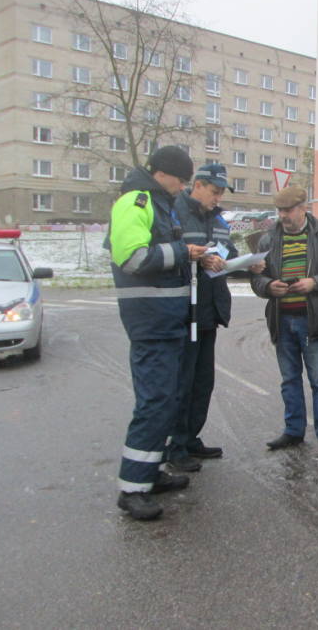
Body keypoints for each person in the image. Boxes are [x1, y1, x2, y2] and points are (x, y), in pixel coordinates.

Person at [109, 145, 208, 520]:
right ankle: (132, 489)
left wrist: (189, 253)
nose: (183, 186)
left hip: (166, 321)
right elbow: (134, 259)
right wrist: (184, 253)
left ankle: (150, 473)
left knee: (167, 400)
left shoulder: (157, 201)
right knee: (154, 402)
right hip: (150, 322)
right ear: (162, 173)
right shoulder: (135, 202)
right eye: (181, 179)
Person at [166, 164, 264, 472]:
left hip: (209, 310)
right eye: (215, 191)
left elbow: (228, 254)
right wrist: (196, 255)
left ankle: (191, 437)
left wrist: (245, 265)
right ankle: (176, 445)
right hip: (185, 309)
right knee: (183, 382)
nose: (218, 197)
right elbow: (167, 252)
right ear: (197, 185)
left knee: (202, 381)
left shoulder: (218, 218)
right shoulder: (174, 211)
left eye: (221, 192)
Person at [251, 186, 318, 457]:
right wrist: (269, 286)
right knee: (289, 379)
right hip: (282, 320)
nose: (283, 216)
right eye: (280, 211)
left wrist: (314, 283)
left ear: (303, 208)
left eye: (288, 210)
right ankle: (293, 431)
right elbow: (256, 280)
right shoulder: (268, 239)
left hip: (314, 320)